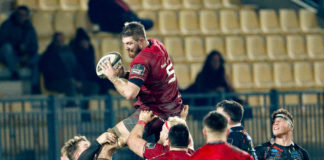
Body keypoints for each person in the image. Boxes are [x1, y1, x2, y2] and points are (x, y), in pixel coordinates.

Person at [98, 21, 184, 157]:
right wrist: (125, 74)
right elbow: (151, 78)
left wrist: (113, 78)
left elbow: (130, 93)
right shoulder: (157, 45)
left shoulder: (141, 61)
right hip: (173, 113)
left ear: (141, 41)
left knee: (107, 145)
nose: (126, 48)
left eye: (130, 43)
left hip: (153, 114)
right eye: (124, 43)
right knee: (162, 156)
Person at [39, 32, 99, 97]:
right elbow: (51, 73)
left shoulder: (69, 52)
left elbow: (77, 68)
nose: (60, 42)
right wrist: (71, 80)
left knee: (94, 86)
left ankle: (87, 105)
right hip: (55, 82)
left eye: (62, 40)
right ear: (54, 41)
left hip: (73, 81)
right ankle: (71, 105)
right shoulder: (48, 55)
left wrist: (80, 81)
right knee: (70, 84)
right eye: (58, 41)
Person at [127, 106, 194, 159]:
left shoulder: (158, 152)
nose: (160, 133)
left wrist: (142, 120)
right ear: (189, 141)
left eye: (162, 130)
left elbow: (132, 141)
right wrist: (181, 120)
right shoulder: (195, 154)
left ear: (168, 140)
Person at [0, 5, 38, 82]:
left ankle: (35, 85)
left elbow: (35, 46)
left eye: (24, 15)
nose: (21, 17)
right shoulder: (7, 25)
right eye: (19, 15)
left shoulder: (30, 28)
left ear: (27, 16)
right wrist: (17, 47)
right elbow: (2, 40)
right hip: (10, 55)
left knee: (38, 58)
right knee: (7, 47)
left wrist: (27, 55)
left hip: (24, 56)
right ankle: (15, 72)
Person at [69, 28, 112, 94]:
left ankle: (107, 100)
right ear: (79, 42)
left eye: (86, 42)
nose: (85, 44)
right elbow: (75, 68)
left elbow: (91, 66)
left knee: (106, 82)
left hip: (90, 74)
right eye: (83, 41)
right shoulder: (74, 51)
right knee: (94, 87)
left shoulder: (90, 49)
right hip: (81, 77)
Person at [88, 0, 153, 33]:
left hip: (125, 19)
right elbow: (94, 17)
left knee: (149, 23)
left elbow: (126, 10)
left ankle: (135, 24)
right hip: (112, 24)